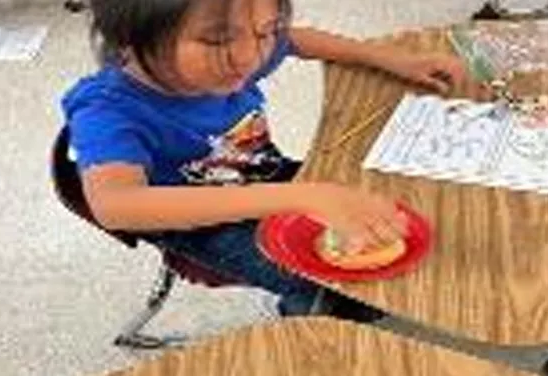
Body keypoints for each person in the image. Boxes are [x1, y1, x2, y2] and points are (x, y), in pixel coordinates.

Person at [60, 0, 467, 318]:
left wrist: (393, 59)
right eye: (218, 40)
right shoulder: (107, 109)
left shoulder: (241, 48)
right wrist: (302, 198)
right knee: (327, 288)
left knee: (377, 205)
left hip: (264, 178)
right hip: (198, 225)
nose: (250, 59)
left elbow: (297, 39)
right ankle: (307, 330)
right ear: (131, 35)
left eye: (264, 32)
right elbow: (116, 206)